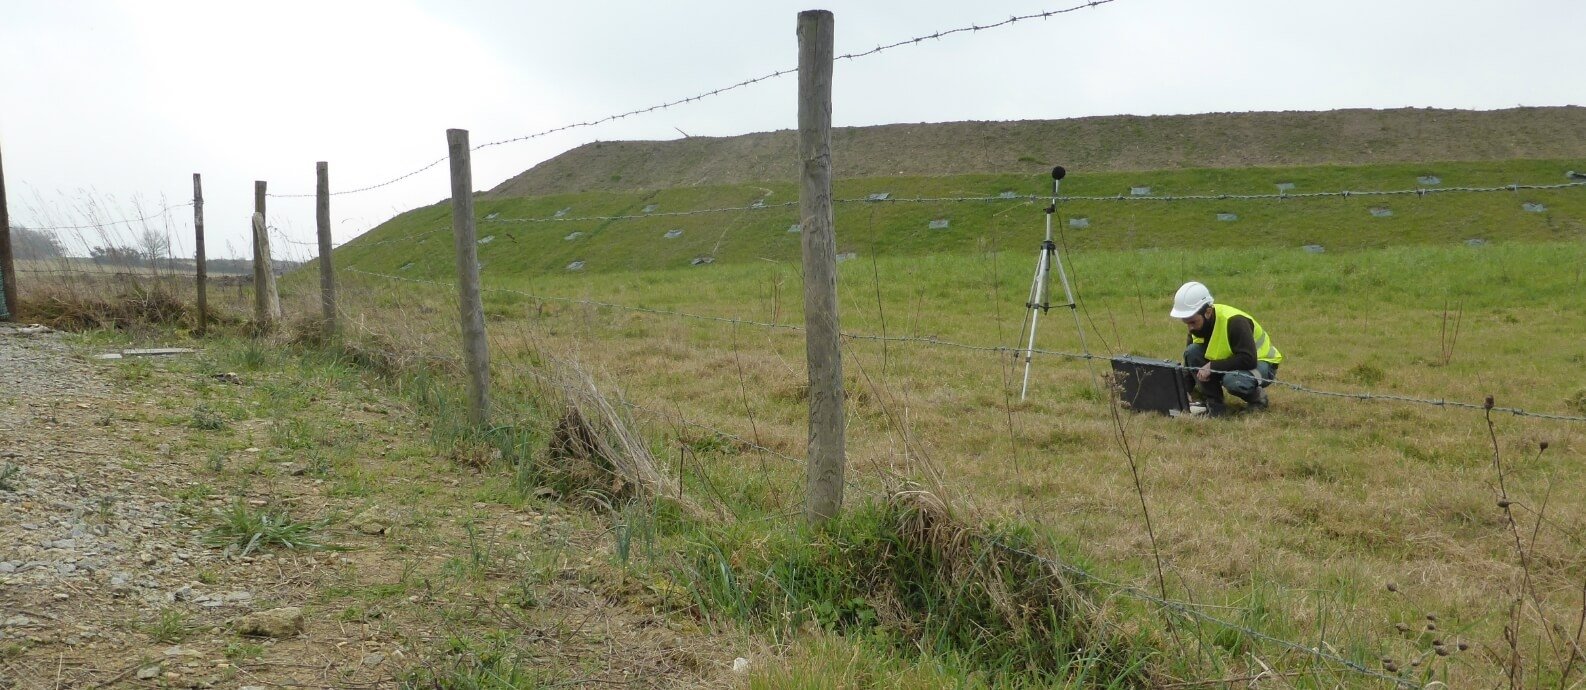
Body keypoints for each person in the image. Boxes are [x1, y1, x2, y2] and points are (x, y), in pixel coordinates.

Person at [1169, 281, 1282, 416]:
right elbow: (1190, 363)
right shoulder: (1196, 327)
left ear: (1208, 312)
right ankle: (1215, 405)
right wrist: (1184, 392)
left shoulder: (1235, 322)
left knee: (1234, 381)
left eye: (1193, 322)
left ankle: (1258, 399)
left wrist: (1212, 366)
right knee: (1192, 351)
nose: (1190, 328)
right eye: (1186, 323)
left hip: (1262, 363)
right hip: (1232, 361)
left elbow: (1248, 359)